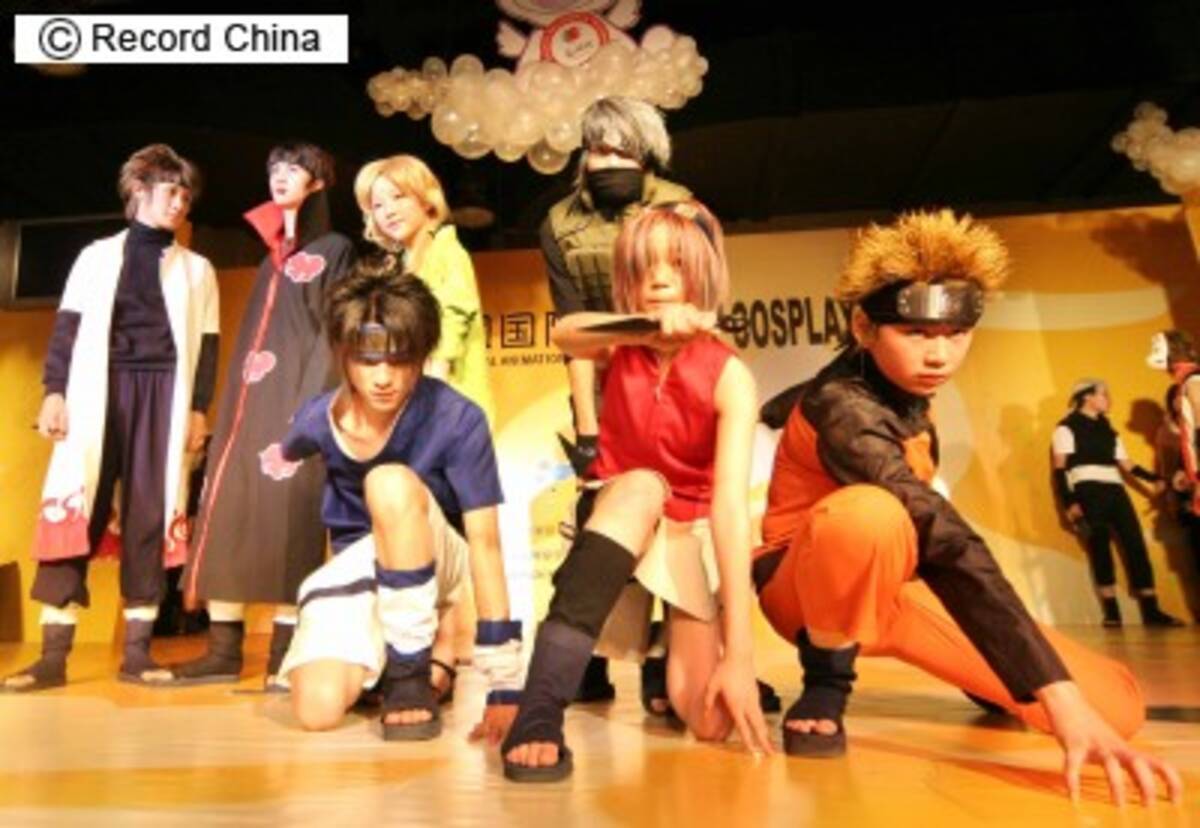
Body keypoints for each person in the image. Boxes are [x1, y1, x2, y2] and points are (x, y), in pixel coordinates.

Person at [753, 209, 1182, 805]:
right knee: (869, 513)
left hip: (897, 589)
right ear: (863, 326)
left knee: (1116, 708)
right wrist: (1056, 698)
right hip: (808, 587)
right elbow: (937, 530)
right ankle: (826, 683)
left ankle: (985, 674)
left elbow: (929, 542)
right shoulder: (845, 408)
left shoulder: (902, 393)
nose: (940, 356)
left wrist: (1025, 673)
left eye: (955, 334)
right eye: (916, 333)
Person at [502, 200, 773, 783]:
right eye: (646, 266)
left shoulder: (731, 376)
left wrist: (740, 657)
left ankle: (663, 640)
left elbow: (729, 511)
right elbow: (565, 332)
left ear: (704, 273)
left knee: (709, 720)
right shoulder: (618, 345)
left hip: (690, 528)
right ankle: (539, 709)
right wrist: (646, 328)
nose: (660, 279)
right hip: (622, 511)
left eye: (677, 264)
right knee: (643, 487)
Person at [275, 264, 521, 744]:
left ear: (423, 354)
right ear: (343, 355)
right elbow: (289, 448)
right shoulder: (318, 420)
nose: (384, 377)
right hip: (364, 568)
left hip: (438, 559)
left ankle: (411, 673)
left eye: (401, 359)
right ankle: (423, 652)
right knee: (317, 709)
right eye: (368, 361)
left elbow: (486, 544)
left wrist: (505, 683)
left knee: (389, 482)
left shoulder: (457, 418)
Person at [4, 144, 218, 691]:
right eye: (171, 191)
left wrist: (199, 409)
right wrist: (54, 393)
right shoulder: (95, 257)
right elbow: (67, 329)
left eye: (186, 195)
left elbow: (209, 346)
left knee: (151, 510)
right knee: (79, 505)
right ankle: (53, 656)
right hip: (98, 387)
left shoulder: (198, 270)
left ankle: (138, 653)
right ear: (139, 189)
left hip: (165, 394)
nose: (180, 202)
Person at [174, 142, 355, 689]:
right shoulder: (267, 260)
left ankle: (283, 655)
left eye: (294, 169)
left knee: (289, 523)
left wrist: (311, 409)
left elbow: (332, 334)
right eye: (275, 168)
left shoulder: (335, 250)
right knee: (228, 513)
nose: (280, 176)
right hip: (245, 407)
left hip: (296, 406)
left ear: (318, 183)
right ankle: (222, 649)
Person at [353, 154, 495, 703]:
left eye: (398, 197)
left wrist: (431, 387)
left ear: (426, 199)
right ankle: (418, 649)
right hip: (416, 413)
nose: (388, 210)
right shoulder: (399, 266)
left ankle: (448, 651)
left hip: (448, 412)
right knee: (421, 527)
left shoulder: (446, 248)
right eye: (377, 203)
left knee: (453, 527)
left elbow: (453, 320)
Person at [1051, 379, 1182, 627]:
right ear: (1087, 397)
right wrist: (1070, 502)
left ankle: (1151, 611)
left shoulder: (1108, 430)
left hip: (1116, 491)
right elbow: (1060, 469)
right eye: (1103, 394)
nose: (1108, 399)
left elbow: (1127, 465)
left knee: (1135, 545)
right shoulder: (1066, 428)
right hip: (1087, 491)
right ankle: (1112, 613)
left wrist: (1158, 479)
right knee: (1100, 547)